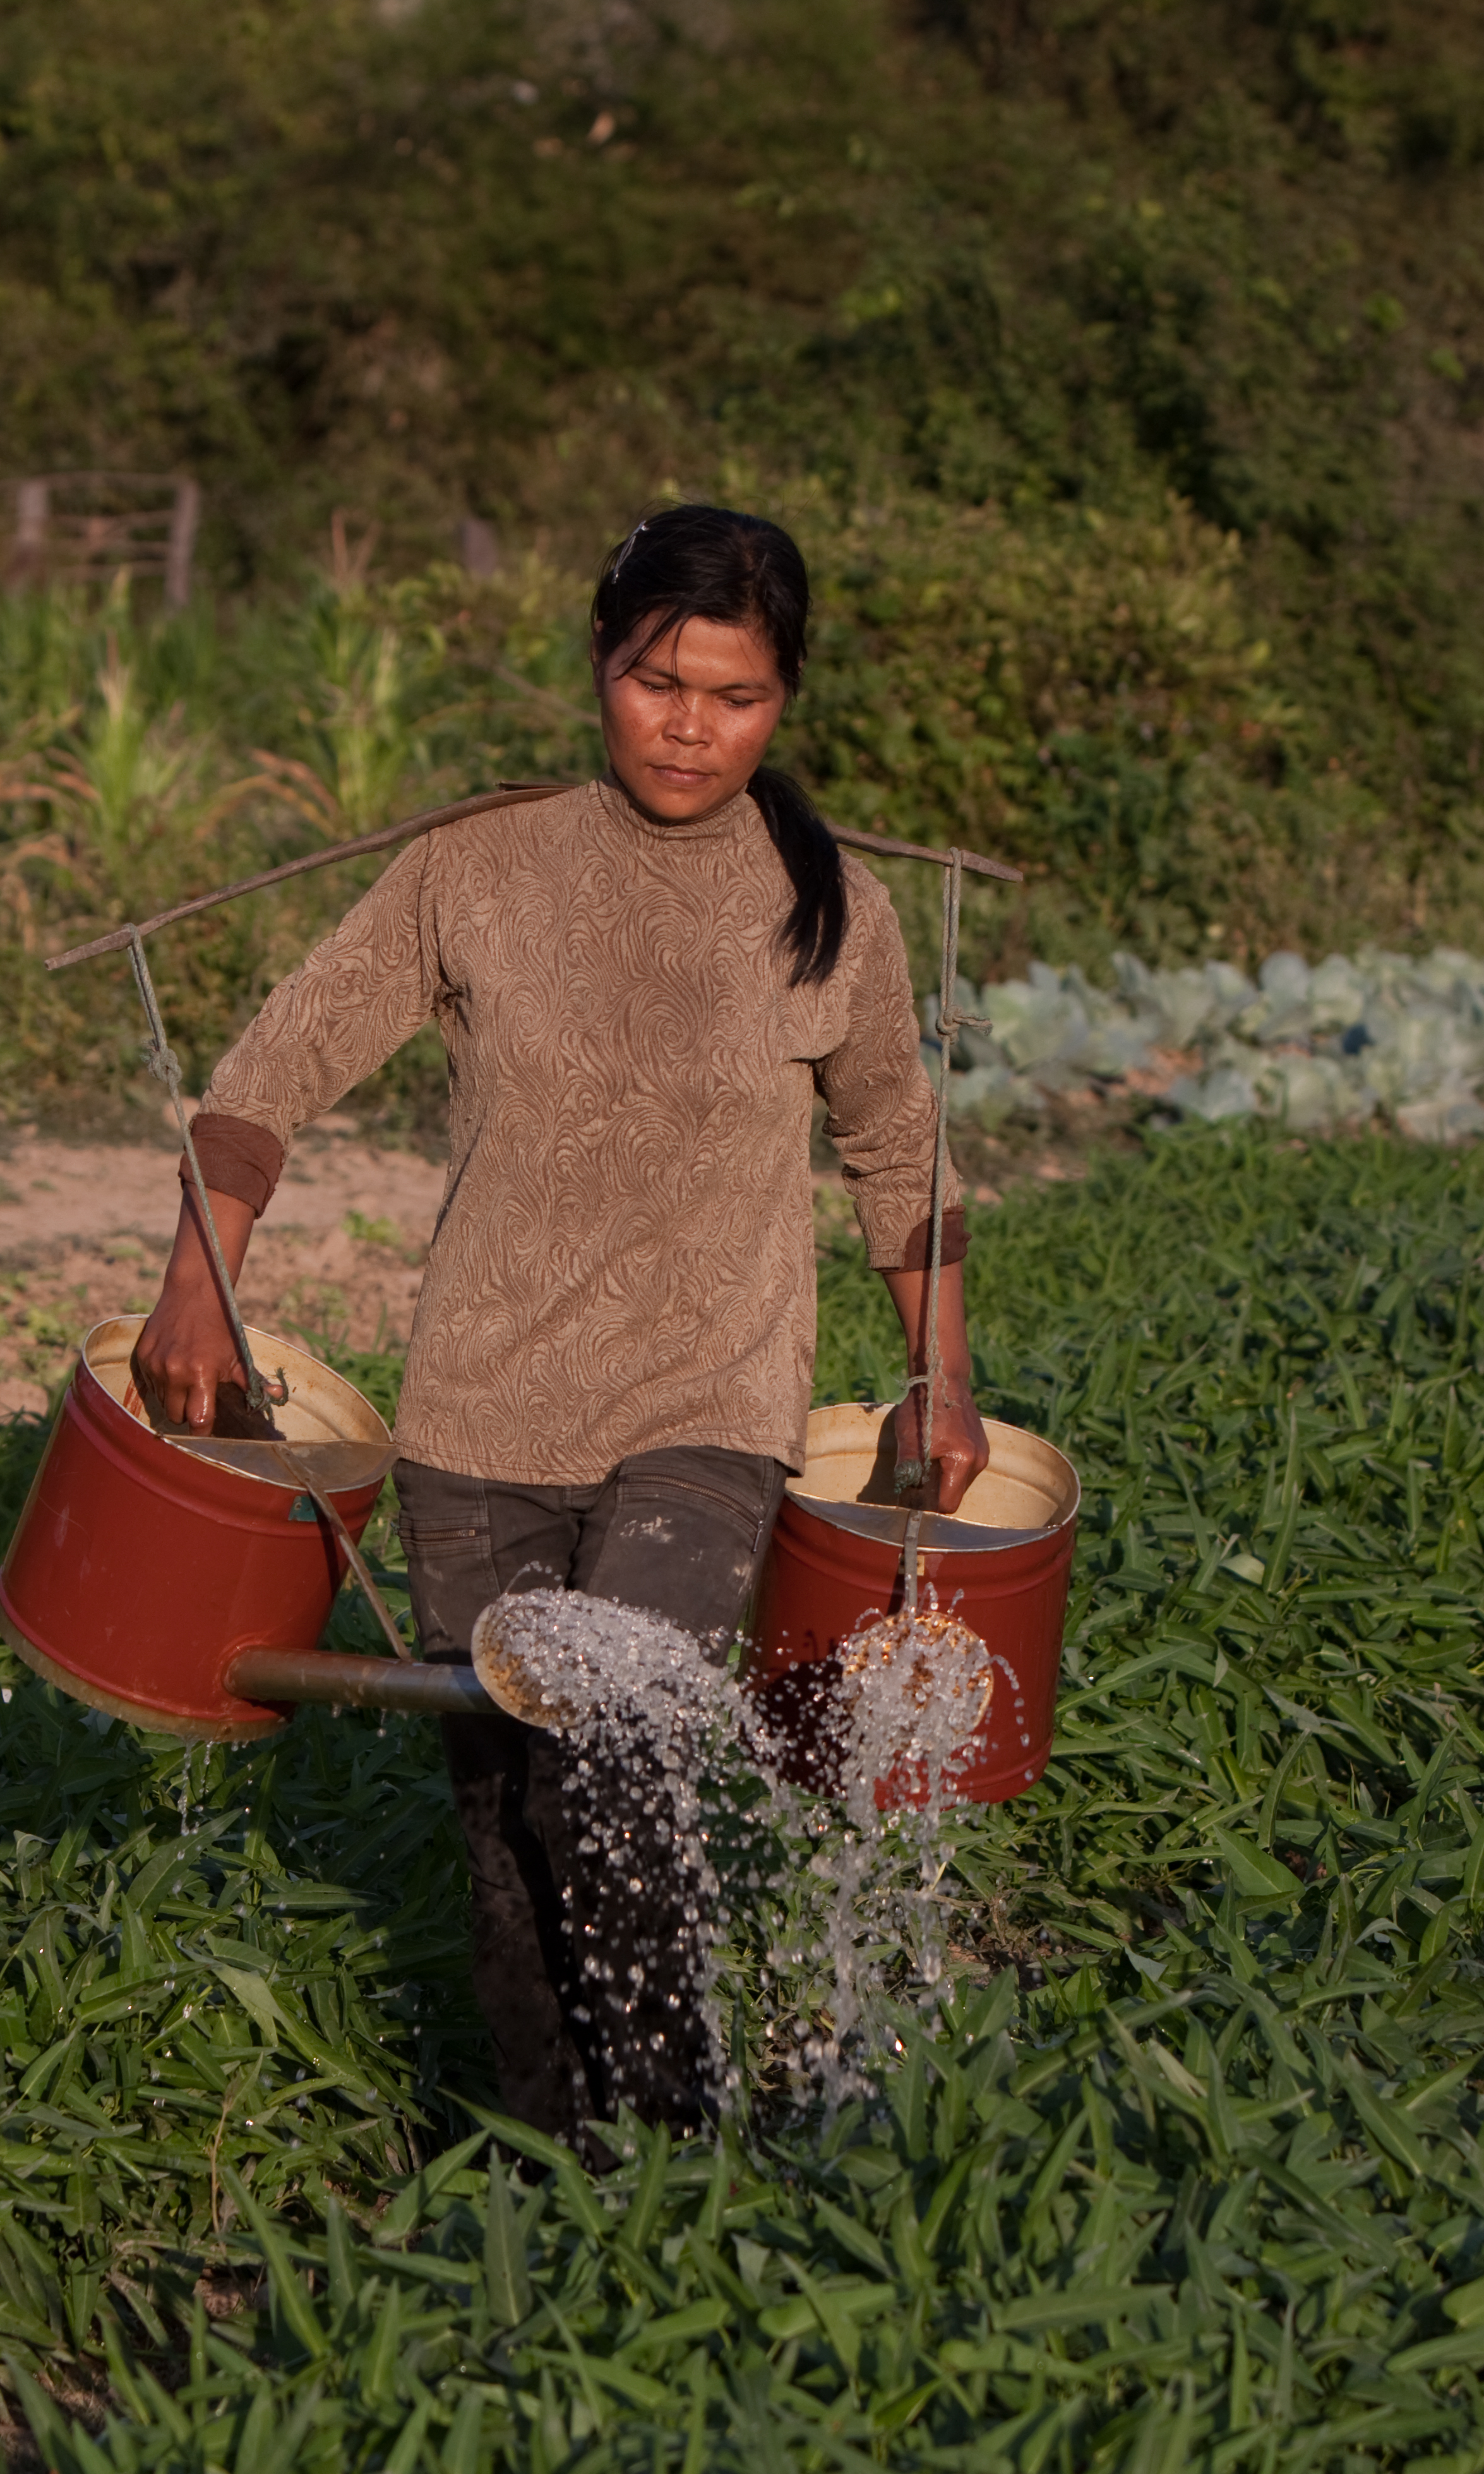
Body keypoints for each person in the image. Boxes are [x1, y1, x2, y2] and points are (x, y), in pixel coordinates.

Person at [133, 503, 989, 2147]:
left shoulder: (836, 914)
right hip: (480, 1416)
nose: (691, 727)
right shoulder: (479, 869)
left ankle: (681, 2144)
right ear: (601, 661)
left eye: (735, 696)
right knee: (507, 1822)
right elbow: (278, 1063)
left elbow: (900, 1151)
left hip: (707, 1404)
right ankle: (556, 2167)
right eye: (659, 682)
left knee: (611, 1758)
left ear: (787, 700)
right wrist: (199, 1278)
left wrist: (939, 1379)